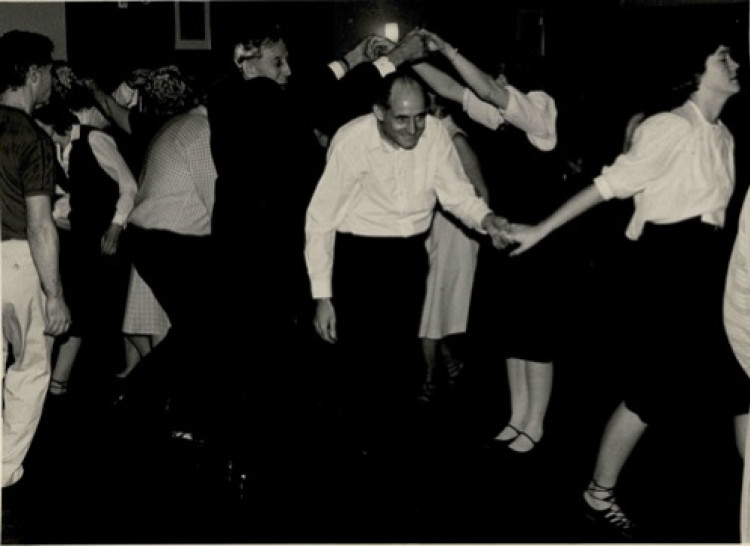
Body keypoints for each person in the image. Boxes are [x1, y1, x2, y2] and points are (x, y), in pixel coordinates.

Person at [508, 34, 744, 536]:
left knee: (738, 385)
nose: (735, 63)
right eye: (722, 58)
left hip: (707, 270)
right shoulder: (668, 127)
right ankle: (597, 493)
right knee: (652, 394)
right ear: (697, 73)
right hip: (667, 274)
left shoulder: (724, 136)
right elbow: (606, 186)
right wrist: (541, 229)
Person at [304, 70, 511, 450]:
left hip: (408, 259)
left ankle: (390, 456)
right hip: (359, 260)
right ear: (378, 111)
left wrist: (486, 219)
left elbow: (457, 194)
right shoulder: (351, 141)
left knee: (402, 366)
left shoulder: (434, 135)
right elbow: (320, 219)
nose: (414, 128)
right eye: (402, 118)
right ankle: (356, 452)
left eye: (419, 116)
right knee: (359, 370)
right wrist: (323, 296)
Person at [413, 31, 566, 454]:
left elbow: (485, 88)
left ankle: (536, 423)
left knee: (536, 337)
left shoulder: (540, 114)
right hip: (505, 236)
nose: (496, 83)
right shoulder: (503, 117)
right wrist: (403, 60)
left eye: (501, 77)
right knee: (512, 332)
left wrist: (447, 50)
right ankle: (518, 417)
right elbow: (447, 88)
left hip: (540, 241)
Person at [0, 29, 71, 488]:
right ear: (32, 74)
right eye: (47, 73)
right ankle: (2, 470)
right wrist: (56, 295)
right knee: (30, 368)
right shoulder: (32, 138)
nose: (51, 85)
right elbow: (42, 224)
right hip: (15, 262)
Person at [34, 88, 137, 396]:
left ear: (54, 122)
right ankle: (59, 380)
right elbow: (71, 196)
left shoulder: (94, 140)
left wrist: (115, 227)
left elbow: (129, 186)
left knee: (102, 309)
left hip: (108, 236)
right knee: (79, 306)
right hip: (82, 238)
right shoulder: (54, 151)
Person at [417, 92, 489, 403]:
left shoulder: (455, 139)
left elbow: (481, 194)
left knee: (430, 311)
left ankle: (431, 379)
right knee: (432, 309)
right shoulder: (429, 138)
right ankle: (448, 364)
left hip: (454, 234)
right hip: (433, 230)